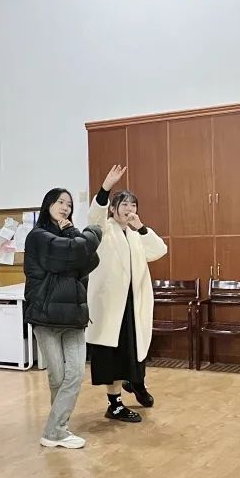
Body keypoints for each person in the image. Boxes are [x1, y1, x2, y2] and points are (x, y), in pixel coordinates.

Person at [86, 165, 168, 423]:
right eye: (124, 204)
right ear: (113, 209)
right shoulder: (104, 229)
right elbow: (94, 215)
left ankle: (136, 383)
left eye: (133, 205)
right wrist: (106, 188)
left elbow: (159, 250)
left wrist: (141, 227)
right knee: (113, 355)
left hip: (134, 303)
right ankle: (115, 404)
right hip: (111, 306)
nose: (129, 208)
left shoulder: (134, 234)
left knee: (134, 350)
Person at [23, 189, 102, 449]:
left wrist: (74, 233)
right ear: (48, 205)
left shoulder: (70, 239)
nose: (65, 207)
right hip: (46, 316)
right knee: (57, 377)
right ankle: (58, 429)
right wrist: (93, 232)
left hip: (73, 316)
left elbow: (91, 259)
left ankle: (55, 430)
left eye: (69, 204)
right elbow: (76, 251)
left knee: (75, 374)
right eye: (60, 202)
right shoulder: (38, 237)